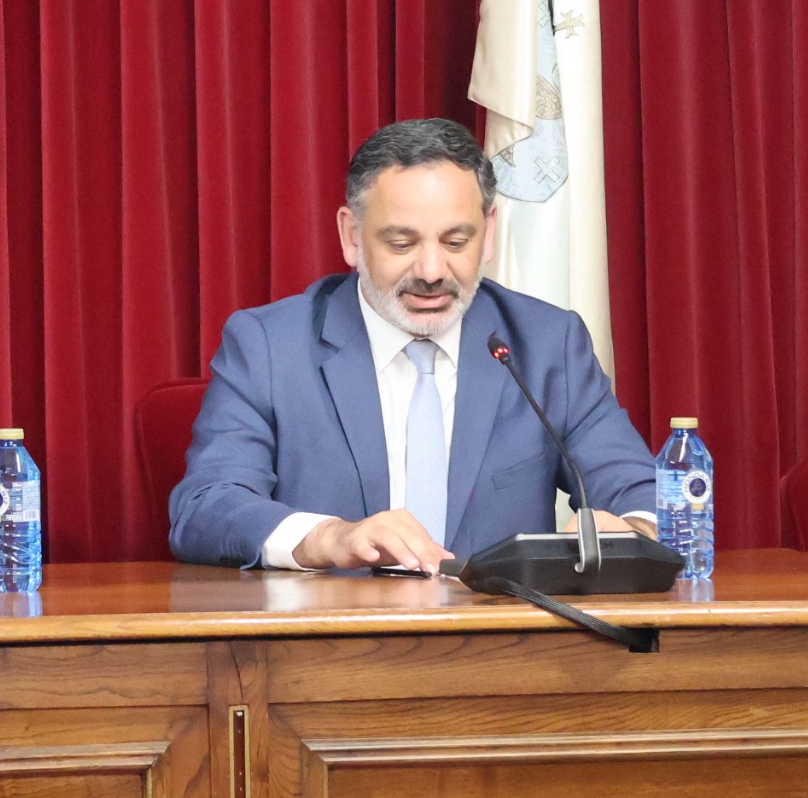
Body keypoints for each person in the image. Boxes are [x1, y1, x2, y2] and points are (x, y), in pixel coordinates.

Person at [170, 118, 657, 572]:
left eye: (456, 242)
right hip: (330, 632)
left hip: (500, 632)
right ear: (352, 236)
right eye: (402, 244)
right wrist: (328, 537)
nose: (431, 271)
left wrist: (633, 531)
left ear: (488, 232)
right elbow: (206, 507)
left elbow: (644, 493)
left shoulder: (547, 345)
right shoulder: (269, 347)